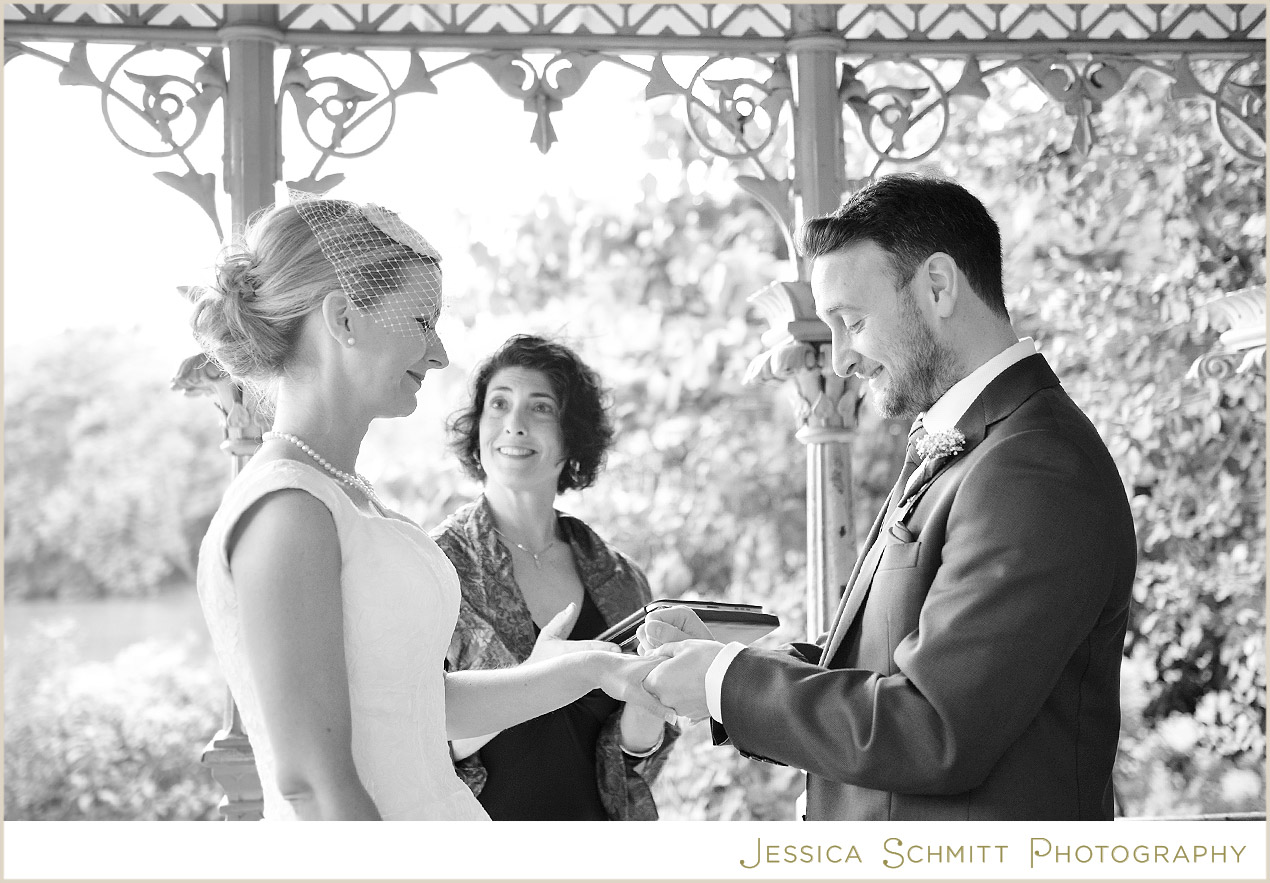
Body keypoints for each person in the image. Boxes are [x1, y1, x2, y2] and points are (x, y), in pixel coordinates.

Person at [640, 173, 1137, 821]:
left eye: (852, 322)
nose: (840, 359)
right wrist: (725, 661)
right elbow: (887, 664)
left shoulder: (1036, 466)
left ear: (938, 286)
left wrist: (723, 682)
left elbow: (933, 728)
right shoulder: (972, 443)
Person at [188, 197, 668, 820]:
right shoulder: (288, 510)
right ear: (344, 319)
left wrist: (593, 670)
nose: (438, 353)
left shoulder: (349, 495)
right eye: (421, 321)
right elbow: (313, 784)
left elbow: (420, 707)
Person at [432, 334, 678, 820]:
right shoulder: (437, 565)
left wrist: (652, 692)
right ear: (477, 428)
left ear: (572, 435)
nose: (515, 424)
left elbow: (632, 763)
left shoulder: (620, 577)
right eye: (499, 404)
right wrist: (538, 674)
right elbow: (414, 742)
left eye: (540, 407)